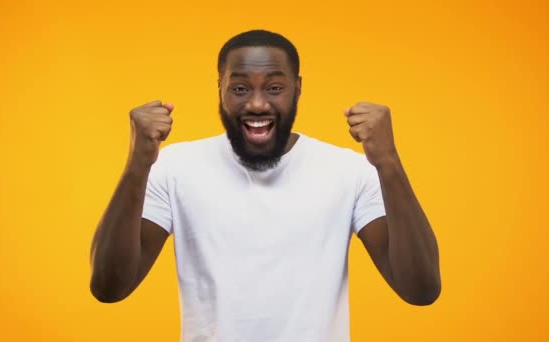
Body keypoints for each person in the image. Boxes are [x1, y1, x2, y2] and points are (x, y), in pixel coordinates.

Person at [89, 29, 441, 341]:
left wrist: (388, 161)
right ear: (220, 88)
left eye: (274, 88)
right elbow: (109, 287)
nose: (257, 104)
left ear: (298, 88)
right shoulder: (174, 168)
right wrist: (138, 163)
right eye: (240, 88)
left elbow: (421, 290)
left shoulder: (349, 170)